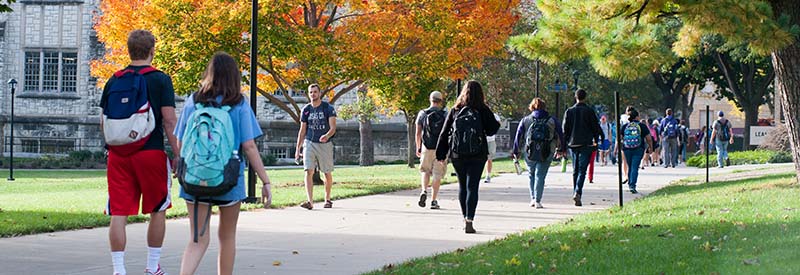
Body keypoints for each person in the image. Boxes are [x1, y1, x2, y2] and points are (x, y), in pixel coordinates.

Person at [176, 52, 273, 275]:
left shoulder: (193, 101)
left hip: (194, 181)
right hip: (229, 180)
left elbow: (181, 142)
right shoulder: (238, 104)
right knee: (227, 237)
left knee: (197, 239)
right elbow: (249, 146)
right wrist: (265, 181)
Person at [100, 29, 178, 275]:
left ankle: (119, 269)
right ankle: (152, 266)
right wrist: (177, 153)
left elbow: (103, 120)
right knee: (158, 209)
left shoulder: (114, 79)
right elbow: (169, 121)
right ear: (152, 51)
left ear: (129, 50)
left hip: (118, 154)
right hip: (150, 153)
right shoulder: (160, 79)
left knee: (118, 212)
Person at [435, 80, 500, 233]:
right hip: (478, 154)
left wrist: (441, 153)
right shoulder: (482, 109)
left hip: (458, 154)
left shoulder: (456, 110)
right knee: (473, 187)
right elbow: (491, 130)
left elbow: (444, 133)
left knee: (462, 186)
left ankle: (464, 217)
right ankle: (470, 219)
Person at [512, 98, 565, 208]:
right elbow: (560, 134)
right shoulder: (552, 120)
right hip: (547, 150)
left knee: (531, 174)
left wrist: (516, 151)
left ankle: (532, 198)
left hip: (529, 151)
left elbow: (518, 136)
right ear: (544, 107)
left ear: (532, 107)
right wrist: (562, 149)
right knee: (540, 175)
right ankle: (538, 200)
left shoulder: (526, 120)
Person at [295, 83, 338, 209]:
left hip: (325, 144)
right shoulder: (306, 110)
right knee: (308, 170)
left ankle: (328, 199)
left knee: (326, 172)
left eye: (315, 92)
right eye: (311, 92)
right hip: (309, 142)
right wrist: (298, 149)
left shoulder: (328, 108)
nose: (313, 94)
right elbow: (302, 130)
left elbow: (333, 128)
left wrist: (327, 135)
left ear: (319, 93)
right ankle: (310, 202)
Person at [562, 89, 604, 207]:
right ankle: (578, 192)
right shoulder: (589, 111)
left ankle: (575, 191)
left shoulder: (569, 111)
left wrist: (563, 145)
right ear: (585, 97)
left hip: (573, 143)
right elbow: (595, 127)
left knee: (575, 170)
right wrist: (597, 139)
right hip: (586, 143)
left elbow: (565, 130)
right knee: (582, 170)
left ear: (576, 97)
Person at [415, 91, 448, 209]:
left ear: (430, 99)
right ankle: (434, 200)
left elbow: (418, 133)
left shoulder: (422, 114)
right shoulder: (445, 114)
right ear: (441, 101)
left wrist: (418, 146)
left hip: (426, 147)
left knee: (424, 170)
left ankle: (424, 191)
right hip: (440, 148)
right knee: (437, 174)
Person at [620, 108, 653, 194]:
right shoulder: (642, 126)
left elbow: (620, 138)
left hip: (627, 149)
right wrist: (650, 147)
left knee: (630, 166)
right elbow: (649, 138)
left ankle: (630, 184)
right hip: (638, 149)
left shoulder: (625, 126)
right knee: (635, 167)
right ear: (637, 117)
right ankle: (632, 185)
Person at [484, 113, 502, 183]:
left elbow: (498, 124)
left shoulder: (494, 116)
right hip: (481, 140)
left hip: (491, 140)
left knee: (489, 159)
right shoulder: (479, 114)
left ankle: (488, 175)